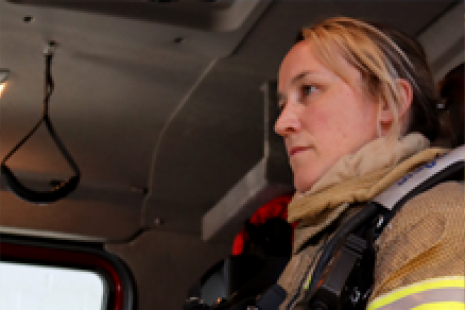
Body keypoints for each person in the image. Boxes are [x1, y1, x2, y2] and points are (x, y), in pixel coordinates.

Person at [274, 17, 464, 309]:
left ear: (389, 103)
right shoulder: (324, 239)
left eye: (309, 89)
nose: (281, 123)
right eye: (282, 103)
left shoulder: (437, 218)